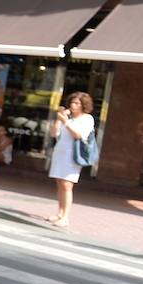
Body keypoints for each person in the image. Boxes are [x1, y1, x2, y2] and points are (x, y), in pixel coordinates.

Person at [46, 91, 96, 228]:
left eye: (76, 103)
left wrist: (66, 122)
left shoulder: (87, 119)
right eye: (72, 103)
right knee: (59, 182)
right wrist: (59, 120)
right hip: (60, 152)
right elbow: (53, 134)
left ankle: (66, 217)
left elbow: (78, 135)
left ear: (83, 105)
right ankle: (60, 213)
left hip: (72, 155)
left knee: (67, 185)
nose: (73, 106)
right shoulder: (68, 118)